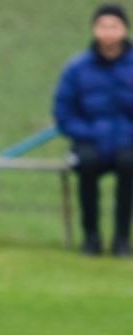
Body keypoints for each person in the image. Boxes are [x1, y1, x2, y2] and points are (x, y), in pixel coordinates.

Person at [53, 3, 133, 257]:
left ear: (125, 30)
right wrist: (88, 133)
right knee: (86, 163)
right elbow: (63, 112)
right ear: (94, 29)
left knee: (129, 164)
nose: (108, 32)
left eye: (114, 26)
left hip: (128, 140)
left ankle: (122, 239)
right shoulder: (77, 68)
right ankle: (91, 238)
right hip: (89, 139)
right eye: (103, 26)